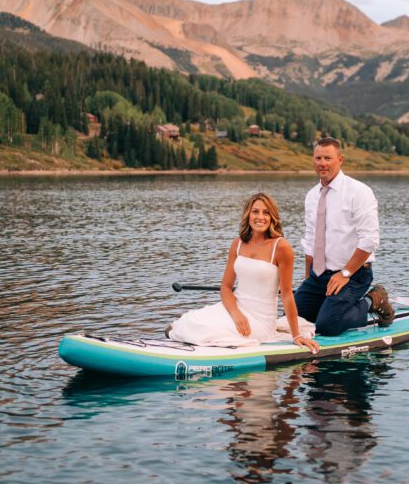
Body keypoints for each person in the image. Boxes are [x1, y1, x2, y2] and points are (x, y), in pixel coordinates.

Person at [168, 193, 320, 353]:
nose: (260, 217)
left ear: (272, 217)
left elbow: (287, 295)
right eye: (255, 211)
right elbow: (226, 287)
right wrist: (236, 314)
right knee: (190, 320)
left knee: (203, 329)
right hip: (234, 308)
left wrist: (296, 336)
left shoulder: (281, 248)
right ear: (248, 215)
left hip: (261, 320)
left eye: (266, 212)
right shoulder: (238, 244)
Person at [294, 137, 394, 336]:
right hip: (320, 275)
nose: (322, 163)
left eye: (328, 158)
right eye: (318, 158)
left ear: (340, 159)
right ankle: (328, 303)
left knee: (327, 325)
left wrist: (345, 273)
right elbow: (310, 241)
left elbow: (370, 240)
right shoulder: (312, 196)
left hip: (353, 275)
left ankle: (373, 300)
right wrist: (308, 281)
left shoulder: (359, 192)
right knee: (295, 317)